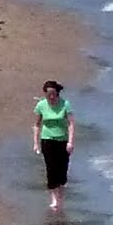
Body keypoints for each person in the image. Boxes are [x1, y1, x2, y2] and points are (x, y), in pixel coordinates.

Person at [34, 81, 76, 212]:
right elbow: (36, 125)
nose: (51, 97)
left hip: (62, 140)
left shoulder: (65, 104)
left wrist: (70, 142)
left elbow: (71, 124)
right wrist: (35, 143)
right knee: (51, 169)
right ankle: (54, 199)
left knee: (62, 171)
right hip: (47, 140)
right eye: (48, 94)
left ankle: (60, 196)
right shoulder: (41, 105)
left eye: (53, 94)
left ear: (57, 93)